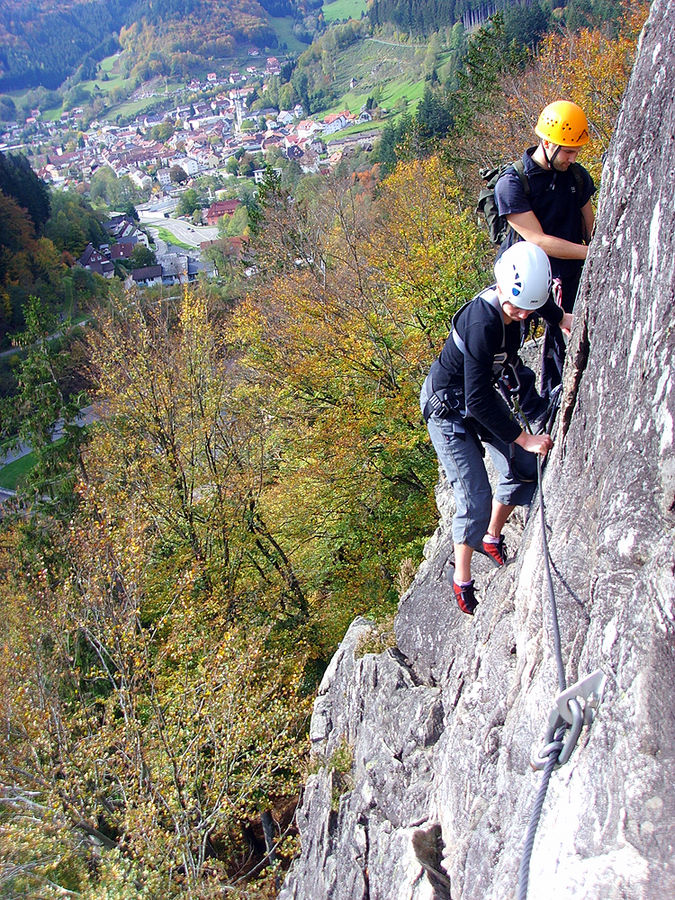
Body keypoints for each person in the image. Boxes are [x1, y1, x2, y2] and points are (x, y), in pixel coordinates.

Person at [420, 242, 573, 616]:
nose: (521, 316)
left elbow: (537, 302)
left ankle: (491, 537)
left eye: (528, 310)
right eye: (515, 307)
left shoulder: (524, 302)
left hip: (476, 394)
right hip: (448, 408)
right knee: (475, 496)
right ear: (501, 288)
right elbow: (479, 403)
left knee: (522, 467)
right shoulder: (482, 322)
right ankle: (463, 577)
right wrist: (524, 436)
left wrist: (562, 318)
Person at [494, 100, 595, 396]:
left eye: (576, 151)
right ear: (547, 143)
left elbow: (591, 225)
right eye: (568, 150)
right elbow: (538, 240)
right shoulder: (513, 182)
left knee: (560, 343)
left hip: (567, 273)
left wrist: (595, 250)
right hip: (523, 277)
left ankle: (558, 398)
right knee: (509, 347)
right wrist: (593, 254)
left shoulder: (577, 176)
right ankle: (524, 408)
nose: (573, 158)